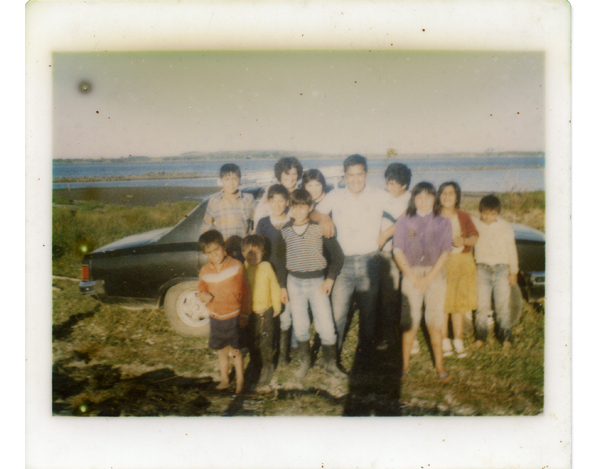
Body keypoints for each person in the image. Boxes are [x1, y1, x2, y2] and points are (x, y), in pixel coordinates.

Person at [313, 154, 391, 367]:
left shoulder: (379, 195)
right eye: (351, 175)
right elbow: (312, 214)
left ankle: (365, 357)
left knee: (368, 313)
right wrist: (325, 217)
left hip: (370, 261)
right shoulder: (335, 195)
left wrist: (385, 234)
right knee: (338, 313)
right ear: (345, 176)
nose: (355, 179)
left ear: (366, 174)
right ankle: (331, 358)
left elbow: (407, 215)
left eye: (360, 174)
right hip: (343, 263)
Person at [277, 189, 346, 379]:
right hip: (294, 283)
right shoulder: (284, 231)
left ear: (311, 207)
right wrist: (282, 286)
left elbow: (338, 256)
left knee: (326, 325)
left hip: (317, 283)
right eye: (295, 207)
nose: (298, 211)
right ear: (290, 208)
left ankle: (330, 364)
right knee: (300, 325)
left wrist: (330, 278)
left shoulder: (319, 228)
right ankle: (305, 363)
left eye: (303, 207)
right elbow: (280, 261)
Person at [392, 182, 453, 383]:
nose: (424, 201)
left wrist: (428, 278)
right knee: (409, 321)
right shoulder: (404, 221)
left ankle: (439, 364)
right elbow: (397, 251)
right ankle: (404, 364)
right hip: (411, 274)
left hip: (435, 275)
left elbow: (445, 253)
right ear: (413, 199)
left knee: (434, 321)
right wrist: (412, 277)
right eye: (419, 197)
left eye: (428, 197)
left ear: (435, 199)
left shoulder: (443, 222)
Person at [197, 230, 251, 393]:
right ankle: (225, 380)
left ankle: (240, 382)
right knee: (221, 352)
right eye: (209, 252)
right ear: (205, 254)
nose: (214, 255)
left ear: (224, 247)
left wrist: (244, 314)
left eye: (217, 250)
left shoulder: (236, 266)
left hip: (233, 317)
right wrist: (203, 296)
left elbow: (246, 292)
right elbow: (200, 290)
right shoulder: (204, 271)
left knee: (236, 352)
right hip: (216, 318)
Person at [471, 194, 519, 351]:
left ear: (497, 213)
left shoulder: (505, 226)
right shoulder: (475, 224)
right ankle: (480, 337)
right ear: (480, 212)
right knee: (481, 306)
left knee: (502, 306)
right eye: (485, 213)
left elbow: (512, 249)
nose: (488, 217)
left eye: (492, 213)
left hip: (501, 270)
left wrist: (513, 271)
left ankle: (506, 338)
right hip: (482, 269)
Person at [438, 182, 479, 358]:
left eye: (451, 193)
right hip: (442, 264)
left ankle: (458, 339)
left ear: (457, 197)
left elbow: (475, 237)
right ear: (439, 196)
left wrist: (464, 241)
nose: (447, 196)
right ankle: (444, 340)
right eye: (444, 193)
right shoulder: (433, 216)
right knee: (443, 303)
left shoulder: (463, 215)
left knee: (459, 303)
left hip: (463, 262)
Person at [376, 162, 412, 352]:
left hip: (405, 254)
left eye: (393, 184)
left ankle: (407, 335)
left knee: (406, 296)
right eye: (387, 183)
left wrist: (387, 232)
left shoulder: (411, 199)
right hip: (385, 254)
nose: (388, 187)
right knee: (388, 297)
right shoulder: (383, 196)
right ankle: (389, 336)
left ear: (404, 185)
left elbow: (408, 220)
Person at [255, 184, 293, 364]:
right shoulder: (263, 223)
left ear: (287, 202)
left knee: (285, 315)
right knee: (269, 316)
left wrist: (283, 283)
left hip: (288, 277)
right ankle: (268, 352)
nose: (278, 205)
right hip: (268, 278)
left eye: (281, 201)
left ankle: (284, 353)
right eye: (274, 200)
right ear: (268, 202)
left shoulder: (293, 222)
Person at [241, 234, 281, 388]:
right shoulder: (242, 268)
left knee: (265, 340)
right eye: (249, 253)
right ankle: (256, 365)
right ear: (243, 254)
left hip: (266, 315)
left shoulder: (266, 267)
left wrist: (276, 305)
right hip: (250, 316)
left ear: (263, 253)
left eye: (257, 252)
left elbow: (274, 286)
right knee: (252, 341)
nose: (253, 256)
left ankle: (268, 366)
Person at [201, 163, 255, 240]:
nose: (231, 183)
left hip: (243, 249)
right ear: (221, 181)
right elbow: (206, 228)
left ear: (239, 180)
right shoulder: (214, 201)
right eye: (227, 179)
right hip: (224, 249)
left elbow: (260, 220)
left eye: (234, 179)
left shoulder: (248, 199)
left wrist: (252, 236)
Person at [253, 157, 303, 225]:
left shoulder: (301, 193)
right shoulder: (271, 190)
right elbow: (260, 213)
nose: (290, 178)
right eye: (287, 174)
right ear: (280, 174)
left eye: (294, 174)